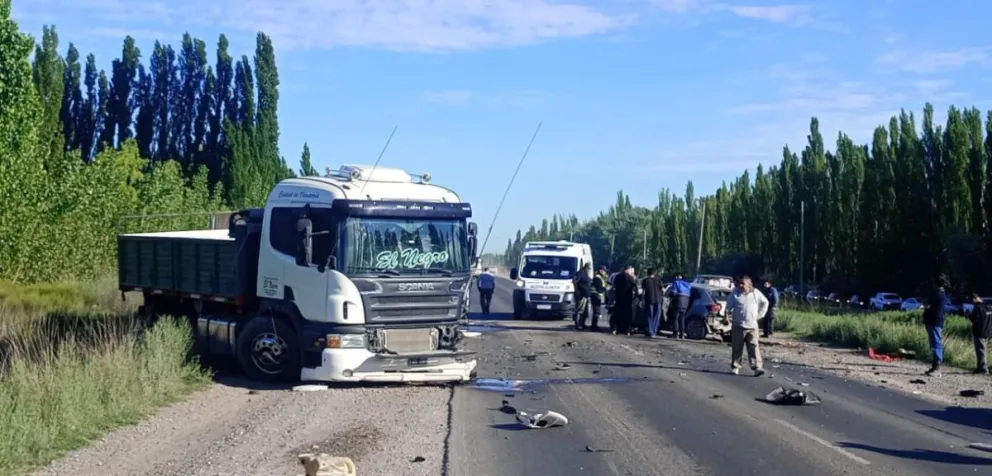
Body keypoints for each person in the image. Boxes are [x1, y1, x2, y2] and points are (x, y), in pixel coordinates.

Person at [723, 275, 768, 376]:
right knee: (737, 347)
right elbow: (728, 306)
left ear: (749, 284)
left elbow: (765, 302)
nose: (740, 285)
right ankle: (736, 367)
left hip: (752, 326)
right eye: (740, 283)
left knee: (754, 347)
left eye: (743, 283)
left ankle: (757, 368)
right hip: (738, 325)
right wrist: (726, 317)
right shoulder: (735, 293)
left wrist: (760, 315)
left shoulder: (756, 293)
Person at [922, 278, 950, 377]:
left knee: (936, 343)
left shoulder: (937, 295)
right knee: (934, 343)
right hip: (935, 321)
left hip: (934, 321)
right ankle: (935, 365)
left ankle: (937, 366)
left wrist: (926, 303)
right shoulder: (942, 294)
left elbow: (928, 306)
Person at [967, 294, 992, 374]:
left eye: (972, 300)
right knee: (984, 349)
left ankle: (982, 367)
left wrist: (968, 314)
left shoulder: (978, 308)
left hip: (979, 332)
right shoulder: (989, 307)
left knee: (980, 349)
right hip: (988, 331)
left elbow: (973, 319)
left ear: (975, 299)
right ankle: (983, 366)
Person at [612, 265, 638, 335]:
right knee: (627, 315)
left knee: (617, 313)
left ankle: (615, 329)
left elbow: (614, 286)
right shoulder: (631, 278)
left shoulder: (617, 277)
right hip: (627, 299)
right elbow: (635, 288)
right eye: (631, 270)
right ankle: (627, 330)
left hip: (618, 298)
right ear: (627, 270)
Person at [641, 268, 664, 338]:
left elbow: (643, 292)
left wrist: (642, 299)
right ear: (655, 273)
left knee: (649, 316)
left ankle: (650, 331)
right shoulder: (659, 280)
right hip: (658, 300)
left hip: (649, 300)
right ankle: (654, 331)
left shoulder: (645, 280)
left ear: (648, 273)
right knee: (657, 317)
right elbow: (663, 290)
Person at [669, 272, 692, 339]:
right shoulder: (688, 284)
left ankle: (675, 334)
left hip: (678, 301)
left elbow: (673, 292)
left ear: (676, 277)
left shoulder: (676, 283)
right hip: (686, 303)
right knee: (682, 319)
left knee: (675, 318)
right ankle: (682, 334)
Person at [573, 263, 593, 330]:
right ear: (586, 268)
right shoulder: (580, 273)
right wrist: (577, 291)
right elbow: (575, 281)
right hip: (581, 295)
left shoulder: (586, 274)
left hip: (586, 295)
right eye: (589, 268)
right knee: (580, 310)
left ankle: (582, 324)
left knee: (585, 311)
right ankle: (577, 324)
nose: (589, 270)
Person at [591, 266, 609, 331]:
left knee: (597, 312)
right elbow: (599, 289)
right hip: (596, 297)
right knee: (596, 312)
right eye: (604, 271)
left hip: (596, 296)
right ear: (601, 270)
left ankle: (594, 325)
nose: (605, 272)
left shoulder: (600, 277)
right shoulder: (597, 278)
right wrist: (606, 288)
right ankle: (594, 326)